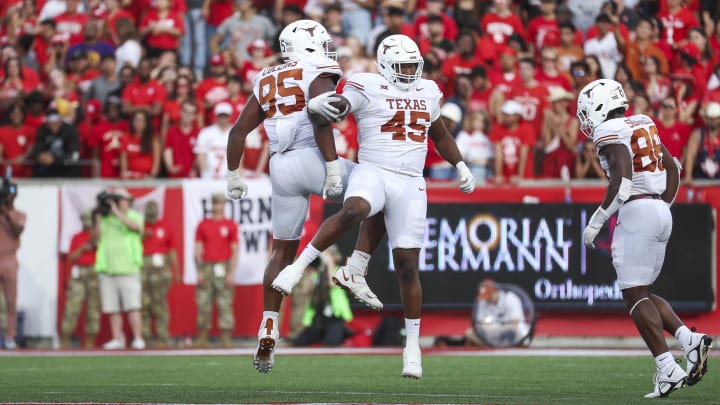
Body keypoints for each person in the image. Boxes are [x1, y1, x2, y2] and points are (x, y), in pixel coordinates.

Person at [272, 34, 476, 379]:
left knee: (408, 265)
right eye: (403, 66)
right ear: (384, 65)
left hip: (411, 181)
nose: (410, 72)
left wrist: (460, 164)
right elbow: (346, 104)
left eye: (414, 65)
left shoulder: (427, 91)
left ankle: (412, 345)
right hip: (374, 169)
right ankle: (296, 269)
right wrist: (330, 105)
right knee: (354, 209)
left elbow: (439, 134)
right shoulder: (368, 84)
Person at [226, 19, 387, 373]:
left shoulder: (265, 75)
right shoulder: (318, 67)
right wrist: (331, 166)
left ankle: (269, 321)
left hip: (280, 168)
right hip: (311, 156)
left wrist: (233, 173)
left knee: (280, 249)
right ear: (309, 44)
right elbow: (320, 116)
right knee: (381, 193)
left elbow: (239, 130)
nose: (329, 49)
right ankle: (355, 270)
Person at [577, 78, 712, 398]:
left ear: (598, 106)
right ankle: (688, 340)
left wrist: (597, 221)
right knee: (643, 292)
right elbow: (674, 168)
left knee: (633, 295)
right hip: (659, 208)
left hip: (638, 210)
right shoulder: (643, 121)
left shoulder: (607, 130)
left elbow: (622, 180)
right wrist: (661, 206)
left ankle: (667, 367)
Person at [94, 187, 145, 350]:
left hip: (128, 269)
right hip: (108, 269)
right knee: (112, 308)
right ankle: (117, 338)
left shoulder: (135, 216)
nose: (121, 202)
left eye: (122, 199)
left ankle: (138, 338)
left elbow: (135, 227)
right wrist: (98, 216)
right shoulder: (106, 218)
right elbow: (96, 238)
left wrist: (116, 212)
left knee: (133, 306)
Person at [193, 193, 238, 348]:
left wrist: (231, 272)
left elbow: (235, 251)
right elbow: (197, 249)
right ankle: (203, 338)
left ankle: (226, 338)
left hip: (223, 267)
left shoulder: (230, 225)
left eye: (219, 204)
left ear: (224, 205)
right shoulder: (203, 225)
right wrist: (198, 270)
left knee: (225, 302)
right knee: (203, 303)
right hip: (206, 267)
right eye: (214, 204)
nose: (216, 207)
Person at [292, 246, 353, 347]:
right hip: (318, 318)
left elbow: (332, 284)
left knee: (331, 344)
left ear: (334, 257)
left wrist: (329, 264)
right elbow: (305, 291)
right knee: (299, 342)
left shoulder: (342, 271)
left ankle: (342, 333)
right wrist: (311, 268)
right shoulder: (317, 274)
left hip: (335, 317)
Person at [59, 210, 100, 349]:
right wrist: (82, 249)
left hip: (94, 274)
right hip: (79, 275)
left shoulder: (97, 237)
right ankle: (64, 340)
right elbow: (71, 258)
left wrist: (96, 241)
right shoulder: (76, 237)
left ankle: (90, 342)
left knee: (93, 309)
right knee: (72, 308)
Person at [141, 201, 179, 348]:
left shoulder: (165, 226)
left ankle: (162, 338)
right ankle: (144, 338)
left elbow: (171, 250)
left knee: (160, 304)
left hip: (161, 270)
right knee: (143, 304)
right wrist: (141, 236)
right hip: (143, 269)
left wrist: (176, 270)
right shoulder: (140, 226)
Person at [464, 279, 529, 347]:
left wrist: (494, 330)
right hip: (492, 336)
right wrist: (489, 331)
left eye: (489, 295)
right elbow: (480, 324)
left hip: (511, 333)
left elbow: (515, 324)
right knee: (469, 333)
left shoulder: (510, 298)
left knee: (519, 334)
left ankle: (500, 347)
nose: (487, 299)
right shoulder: (483, 301)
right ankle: (494, 348)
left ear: (496, 291)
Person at [0, 178, 24, 349]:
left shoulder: (19, 215)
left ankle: (10, 335)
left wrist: (6, 213)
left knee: (11, 301)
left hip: (9, 258)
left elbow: (18, 230)